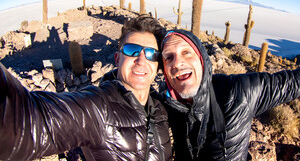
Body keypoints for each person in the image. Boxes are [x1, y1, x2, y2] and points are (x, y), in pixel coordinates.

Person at [0, 16, 172, 161]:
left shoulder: (160, 108)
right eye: (132, 50)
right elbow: (25, 123)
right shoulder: (97, 107)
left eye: (151, 54)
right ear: (118, 59)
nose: (141, 60)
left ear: (158, 65)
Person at [158, 29, 300, 161]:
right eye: (168, 57)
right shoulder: (167, 105)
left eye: (186, 52)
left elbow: (291, 82)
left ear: (202, 59)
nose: (178, 62)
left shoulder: (238, 92)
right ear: (164, 70)